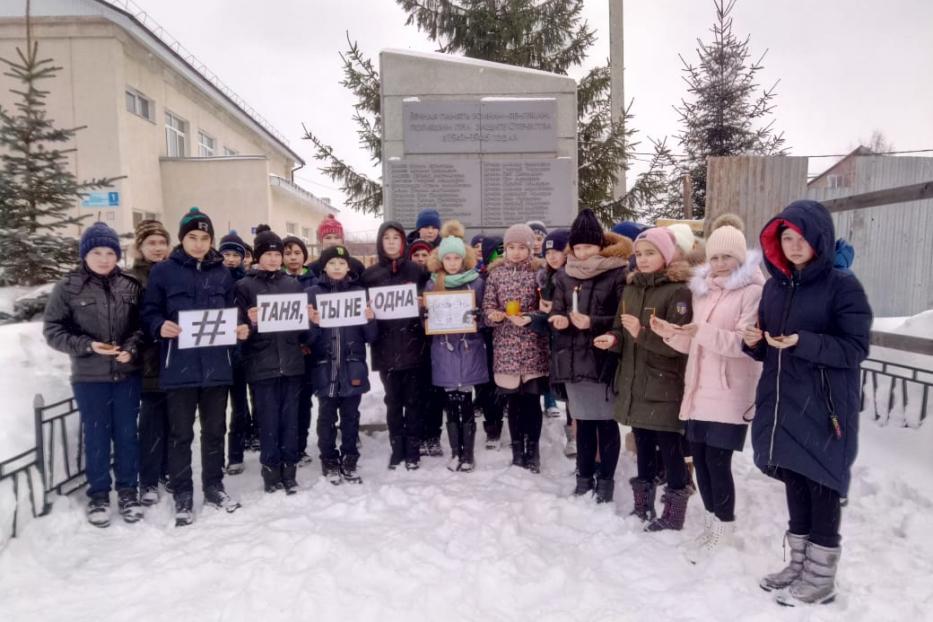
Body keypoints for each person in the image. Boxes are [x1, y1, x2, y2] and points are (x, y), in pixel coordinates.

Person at [743, 200, 871, 606]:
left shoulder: (842, 284)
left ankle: (821, 577)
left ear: (818, 238)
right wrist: (755, 343)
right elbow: (769, 347)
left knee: (823, 484)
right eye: (785, 238)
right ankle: (799, 564)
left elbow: (855, 347)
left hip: (825, 406)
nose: (793, 246)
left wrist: (805, 342)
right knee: (796, 479)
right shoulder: (774, 286)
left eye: (800, 238)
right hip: (784, 402)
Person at [653, 216, 764, 562]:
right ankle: (712, 523)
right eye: (714, 257)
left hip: (730, 392)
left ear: (740, 258)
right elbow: (696, 343)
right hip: (699, 391)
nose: (719, 264)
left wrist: (698, 330)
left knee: (718, 462)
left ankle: (725, 530)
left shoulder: (752, 291)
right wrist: (671, 333)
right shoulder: (702, 292)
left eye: (727, 257)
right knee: (699, 461)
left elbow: (742, 344)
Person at [142, 207, 249, 526]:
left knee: (215, 431)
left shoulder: (222, 273)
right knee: (180, 435)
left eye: (205, 238)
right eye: (193, 237)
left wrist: (241, 327)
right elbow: (149, 312)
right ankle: (183, 494)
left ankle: (214, 487)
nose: (199, 243)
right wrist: (159, 325)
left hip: (216, 366)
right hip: (180, 367)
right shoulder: (163, 272)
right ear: (182, 239)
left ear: (212, 240)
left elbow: (234, 312)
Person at [44, 222, 144, 527]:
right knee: (97, 437)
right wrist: (87, 345)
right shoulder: (68, 287)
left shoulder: (130, 284)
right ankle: (98, 495)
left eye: (110, 252)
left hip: (127, 375)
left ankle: (128, 491)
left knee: (127, 436)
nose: (104, 258)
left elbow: (142, 327)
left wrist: (131, 348)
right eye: (97, 252)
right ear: (85, 254)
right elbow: (53, 330)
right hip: (90, 378)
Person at [594, 227, 693, 530]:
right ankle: (643, 505)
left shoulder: (678, 291)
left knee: (671, 448)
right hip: (635, 382)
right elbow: (620, 328)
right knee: (644, 444)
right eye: (639, 254)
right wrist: (613, 339)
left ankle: (674, 513)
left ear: (665, 255)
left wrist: (642, 333)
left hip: (663, 383)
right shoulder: (631, 288)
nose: (644, 259)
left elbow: (679, 344)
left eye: (650, 253)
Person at [549, 210, 631, 503]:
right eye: (578, 247)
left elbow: (623, 317)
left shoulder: (617, 272)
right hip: (572, 359)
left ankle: (606, 480)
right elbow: (558, 308)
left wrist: (593, 322)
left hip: (601, 358)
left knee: (606, 422)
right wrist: (558, 319)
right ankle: (583, 476)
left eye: (588, 247)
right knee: (582, 421)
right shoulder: (563, 275)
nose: (582, 253)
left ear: (600, 245)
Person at [236, 229, 307, 494]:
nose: (274, 259)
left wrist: (311, 319)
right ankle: (270, 470)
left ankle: (290, 470)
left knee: (290, 419)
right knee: (268, 421)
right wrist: (250, 323)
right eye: (269, 254)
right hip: (261, 363)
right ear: (258, 256)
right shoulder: (244, 286)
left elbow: (302, 329)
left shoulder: (293, 284)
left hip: (290, 362)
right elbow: (238, 328)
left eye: (278, 254)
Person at [305, 245, 377, 484]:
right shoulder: (312, 293)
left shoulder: (359, 292)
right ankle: (328, 458)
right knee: (326, 416)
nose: (337, 267)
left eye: (342, 263)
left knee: (350, 416)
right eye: (332, 263)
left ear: (348, 267)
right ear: (324, 266)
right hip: (324, 365)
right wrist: (312, 324)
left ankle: (350, 457)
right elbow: (306, 339)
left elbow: (371, 337)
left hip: (352, 365)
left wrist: (369, 320)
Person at [361, 221, 429, 470]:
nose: (391, 242)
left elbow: (429, 303)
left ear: (403, 242)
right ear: (380, 242)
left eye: (396, 238)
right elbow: (362, 312)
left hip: (414, 346)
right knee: (393, 401)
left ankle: (413, 449)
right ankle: (396, 448)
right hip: (385, 348)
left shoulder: (417, 271)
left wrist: (424, 305)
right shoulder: (370, 275)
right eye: (386, 238)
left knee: (413, 400)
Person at [483, 224, 550, 472]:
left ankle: (533, 449)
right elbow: (487, 310)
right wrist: (495, 316)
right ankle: (516, 450)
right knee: (513, 403)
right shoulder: (496, 275)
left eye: (522, 247)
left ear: (531, 248)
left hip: (532, 345)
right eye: (512, 247)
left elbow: (548, 308)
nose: (517, 252)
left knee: (531, 401)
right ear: (505, 249)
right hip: (506, 347)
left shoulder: (540, 273)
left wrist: (531, 318)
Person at [425, 222, 488, 472]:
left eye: (457, 258)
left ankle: (469, 453)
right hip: (444, 349)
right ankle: (455, 452)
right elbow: (426, 317)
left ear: (465, 259)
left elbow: (485, 315)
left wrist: (478, 317)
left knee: (467, 402)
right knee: (451, 404)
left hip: (469, 348)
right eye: (448, 258)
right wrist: (427, 317)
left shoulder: (476, 283)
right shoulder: (433, 284)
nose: (452, 263)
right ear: (441, 260)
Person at [128, 219, 172, 506]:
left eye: (161, 242)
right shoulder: (131, 280)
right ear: (140, 247)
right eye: (151, 243)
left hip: (176, 359)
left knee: (175, 421)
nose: (157, 248)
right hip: (148, 361)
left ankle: (168, 470)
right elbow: (129, 321)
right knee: (151, 422)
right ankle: (148, 479)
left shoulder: (174, 274)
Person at [538, 228, 575, 453]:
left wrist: (556, 311)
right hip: (554, 340)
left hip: (572, 341)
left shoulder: (573, 276)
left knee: (573, 391)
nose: (552, 256)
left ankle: (574, 433)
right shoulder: (546, 279)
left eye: (557, 251)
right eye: (548, 252)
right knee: (563, 387)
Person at [218, 230, 253, 475]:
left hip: (242, 353)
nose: (230, 259)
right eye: (226, 254)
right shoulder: (212, 279)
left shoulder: (248, 281)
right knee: (216, 411)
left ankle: (236, 454)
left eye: (235, 254)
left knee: (239, 406)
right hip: (217, 354)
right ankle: (215, 455)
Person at [475, 235, 505, 449]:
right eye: (497, 252)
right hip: (485, 338)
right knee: (488, 386)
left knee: (508, 386)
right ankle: (492, 429)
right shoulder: (480, 279)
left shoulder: (513, 276)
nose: (501, 257)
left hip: (509, 337)